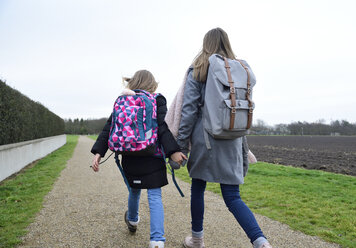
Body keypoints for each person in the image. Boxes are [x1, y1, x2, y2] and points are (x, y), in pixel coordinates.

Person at [176, 28, 272, 248]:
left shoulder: (199, 68)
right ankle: (261, 242)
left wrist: (181, 145)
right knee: (232, 196)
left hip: (205, 138)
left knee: (198, 187)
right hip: (233, 137)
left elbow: (189, 110)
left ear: (205, 44)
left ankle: (197, 239)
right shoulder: (238, 68)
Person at [91, 70, 187, 248]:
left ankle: (133, 220)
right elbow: (162, 127)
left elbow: (109, 128)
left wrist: (98, 153)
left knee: (134, 191)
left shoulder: (123, 101)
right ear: (152, 84)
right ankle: (157, 240)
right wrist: (172, 151)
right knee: (155, 196)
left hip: (129, 156)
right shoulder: (157, 99)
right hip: (152, 155)